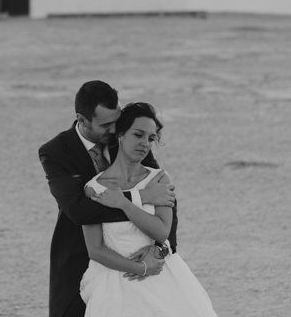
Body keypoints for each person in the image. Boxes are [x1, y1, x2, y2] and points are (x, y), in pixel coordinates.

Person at [38, 81, 178, 317]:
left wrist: (162, 248)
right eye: (106, 125)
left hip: (139, 252)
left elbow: (164, 195)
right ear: (82, 120)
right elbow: (78, 210)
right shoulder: (55, 151)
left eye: (117, 121)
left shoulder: (128, 138)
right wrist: (138, 197)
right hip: (79, 253)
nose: (115, 130)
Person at [80, 101, 218, 316]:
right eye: (138, 135)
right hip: (115, 285)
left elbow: (161, 231)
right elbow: (95, 250)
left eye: (151, 138)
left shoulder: (159, 178)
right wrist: (140, 268)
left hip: (162, 276)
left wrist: (125, 202)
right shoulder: (94, 188)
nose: (145, 143)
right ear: (120, 134)